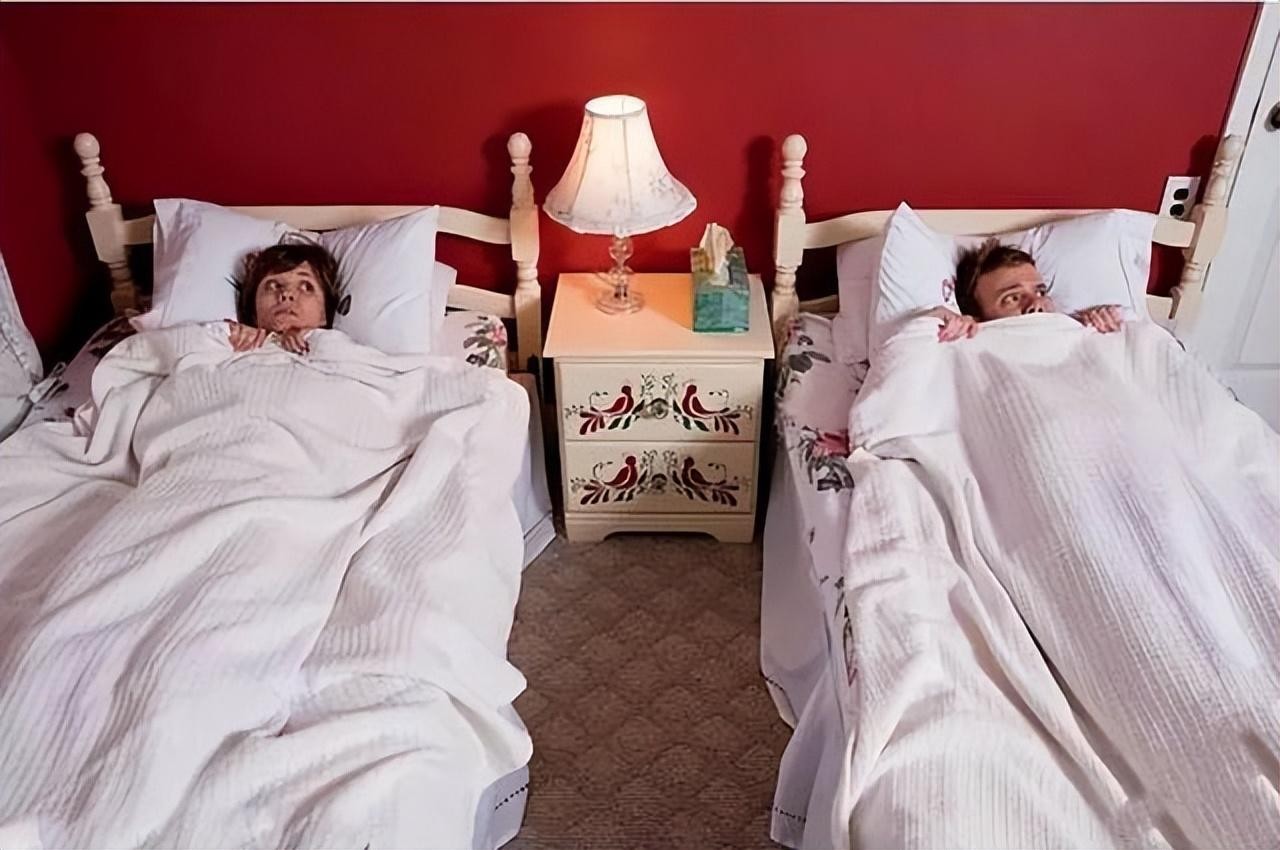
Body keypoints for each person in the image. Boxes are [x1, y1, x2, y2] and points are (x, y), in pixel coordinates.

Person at [930, 238, 1124, 342]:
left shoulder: (1088, 336)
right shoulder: (971, 354)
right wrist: (941, 321)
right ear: (978, 319)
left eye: (1040, 292)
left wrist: (1112, 332)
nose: (1036, 304)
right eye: (1013, 298)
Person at [227, 239, 342, 353]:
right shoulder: (226, 339)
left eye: (306, 287)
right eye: (273, 285)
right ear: (253, 311)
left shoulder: (339, 349)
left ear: (324, 315)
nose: (287, 294)